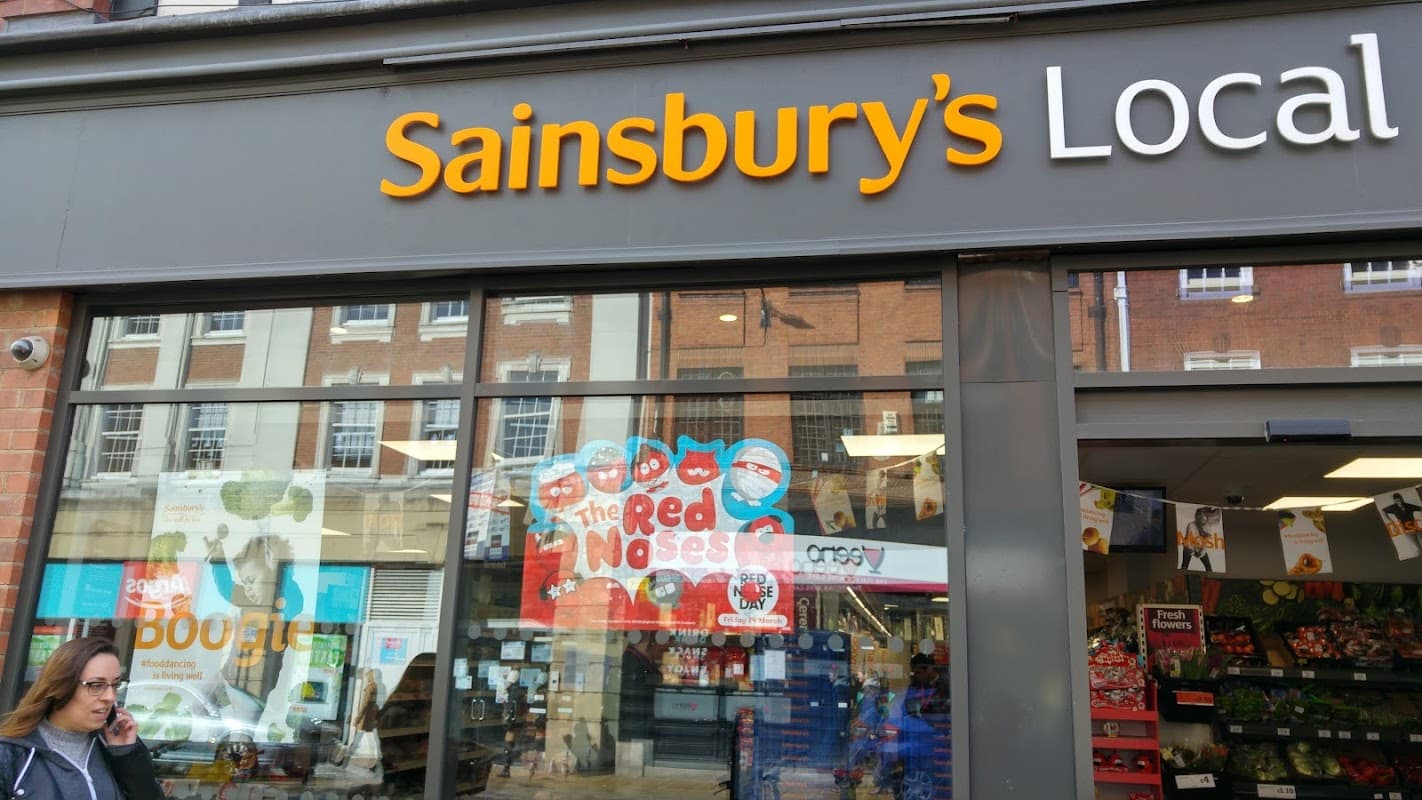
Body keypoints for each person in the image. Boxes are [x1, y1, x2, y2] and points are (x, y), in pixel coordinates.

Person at [0, 637, 164, 800]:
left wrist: (126, 756)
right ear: (61, 687)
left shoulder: (115, 747)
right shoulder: (11, 755)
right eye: (96, 685)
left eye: (115, 685)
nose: (110, 697)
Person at [1180, 506, 1216, 572]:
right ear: (1197, 517)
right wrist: (1193, 551)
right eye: (1200, 516)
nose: (1202, 518)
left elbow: (1205, 543)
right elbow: (1189, 541)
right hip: (1189, 548)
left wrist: (1200, 551)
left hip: (1200, 549)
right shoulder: (1191, 525)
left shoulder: (1208, 528)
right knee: (1184, 566)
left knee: (1209, 568)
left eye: (1204, 516)